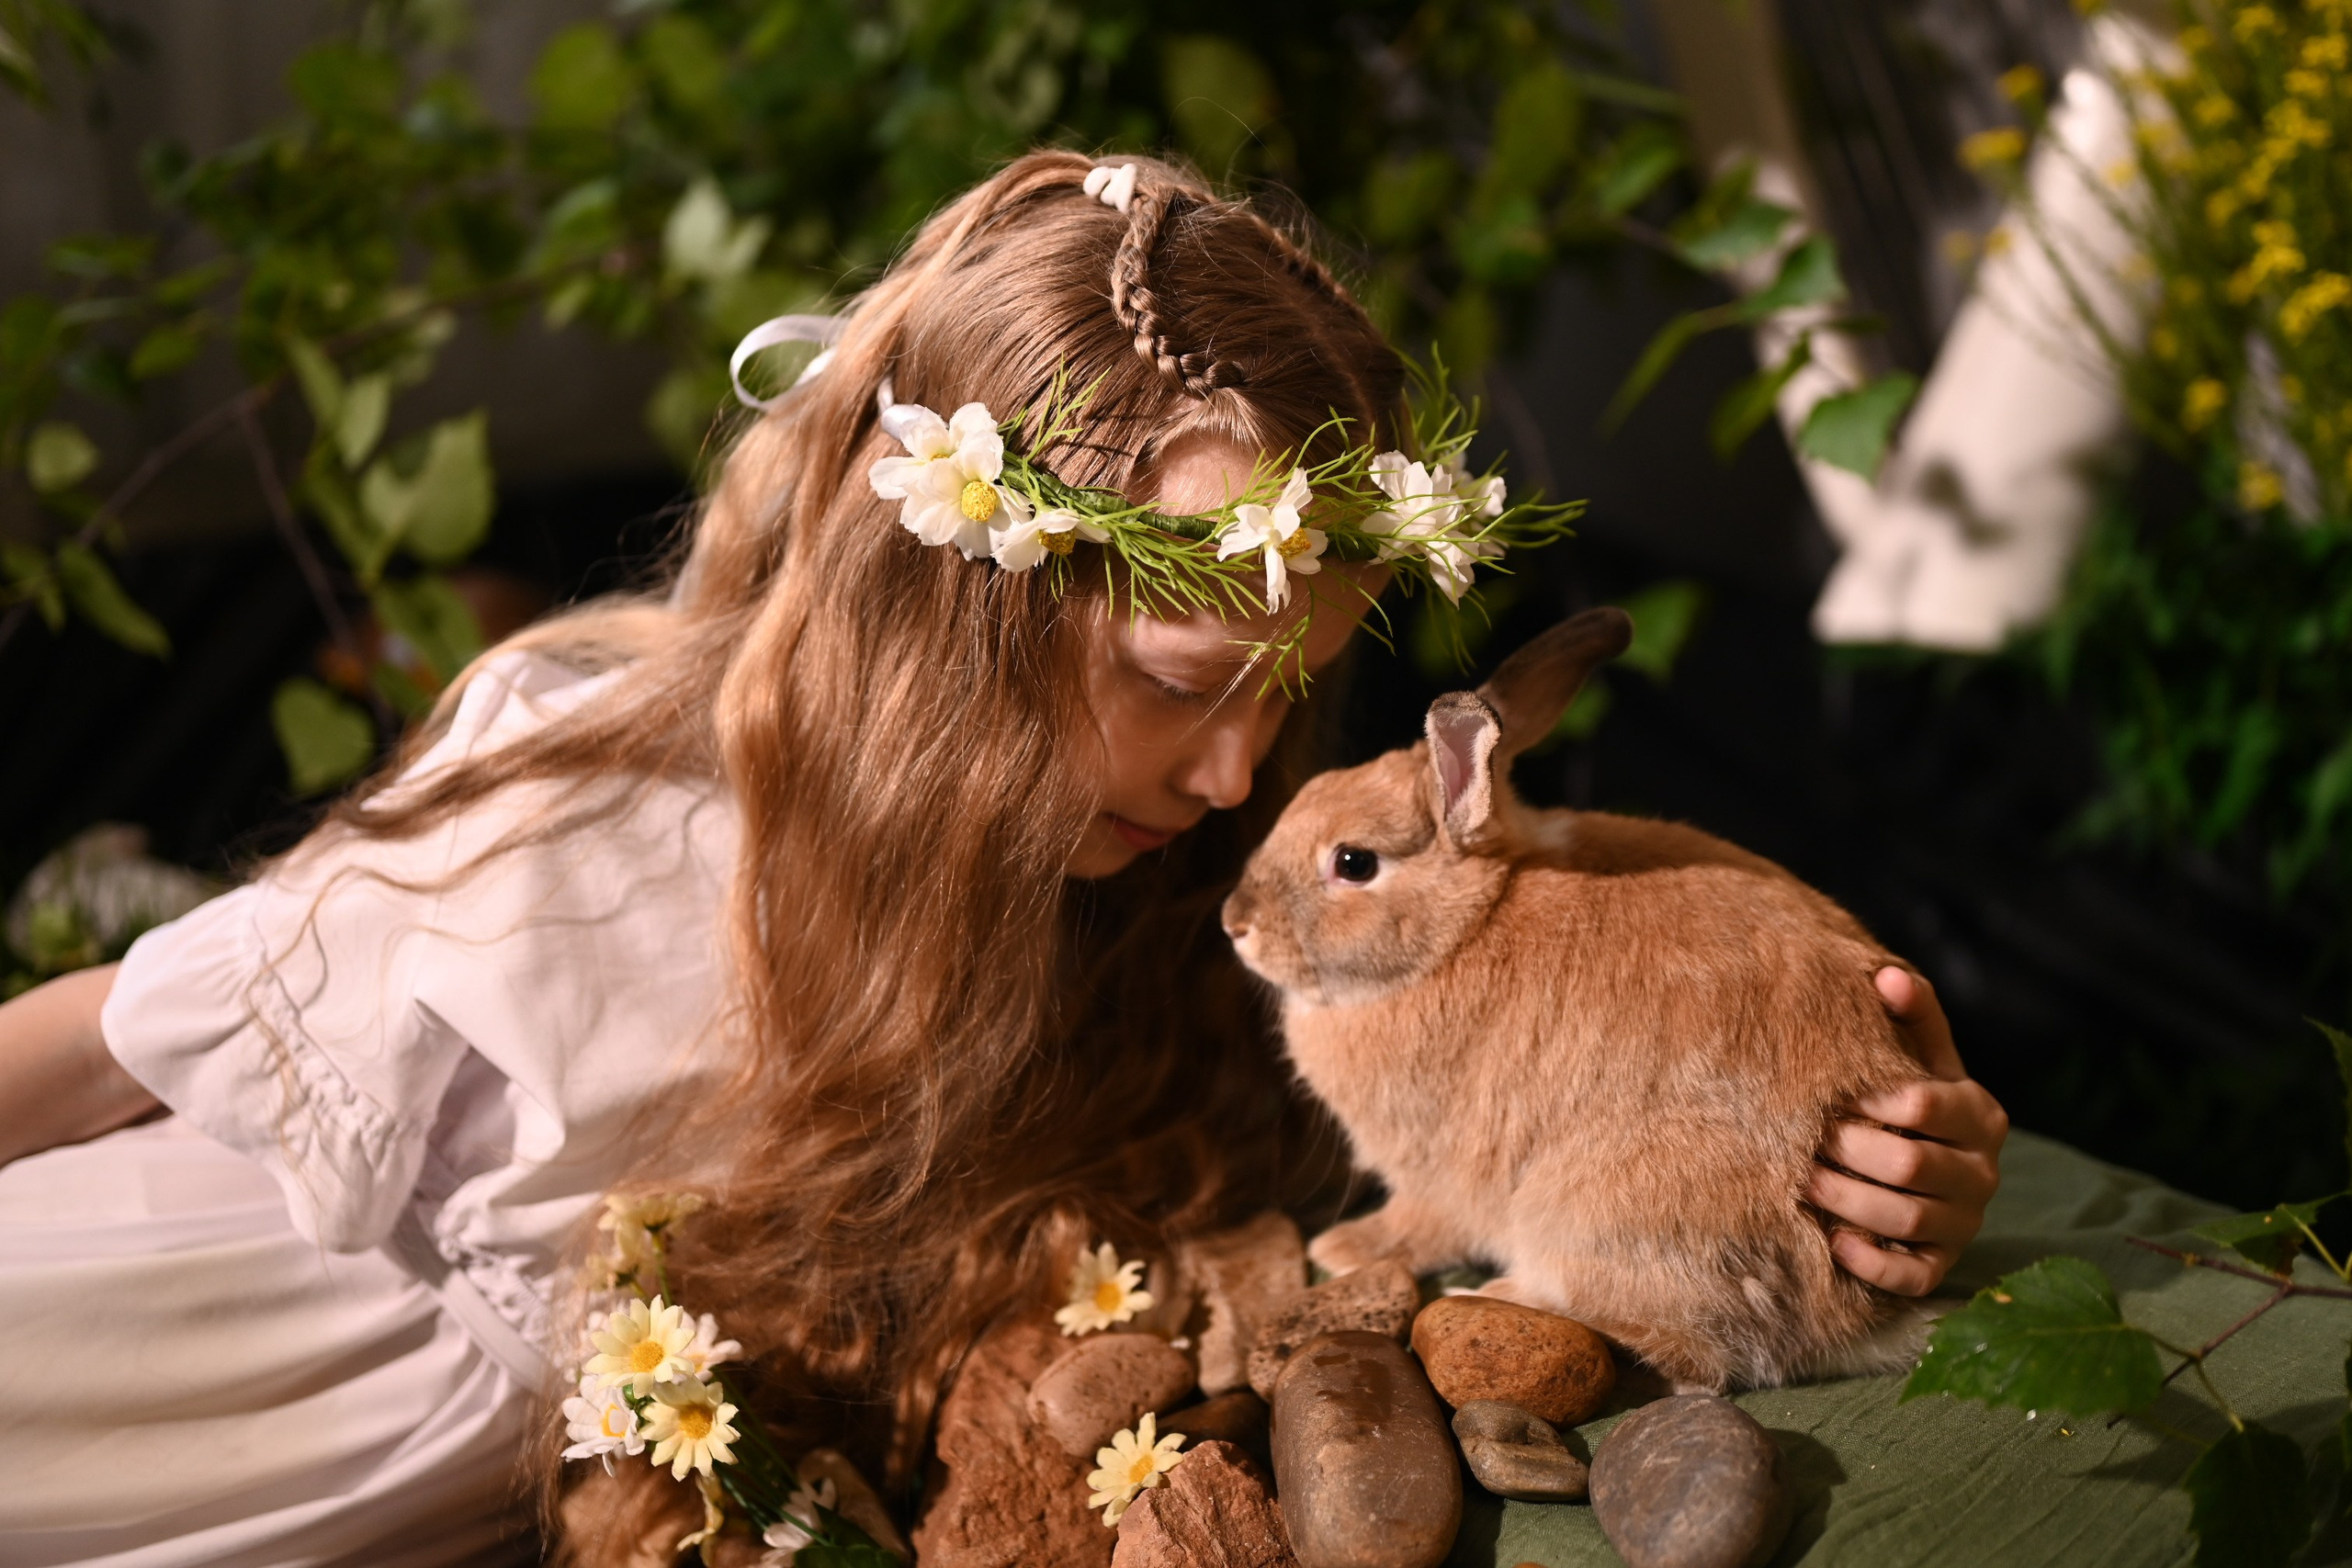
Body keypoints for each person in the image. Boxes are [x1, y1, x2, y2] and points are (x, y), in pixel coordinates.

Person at [0, 151, 2007, 1566]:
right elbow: (108, 1045)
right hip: (116, 1382)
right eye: (1174, 675)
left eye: (1284, 694)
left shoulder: (1150, 922)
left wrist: (1827, 1125)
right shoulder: (606, 824)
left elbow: (1539, 1033)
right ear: (952, 600)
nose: (1235, 775)